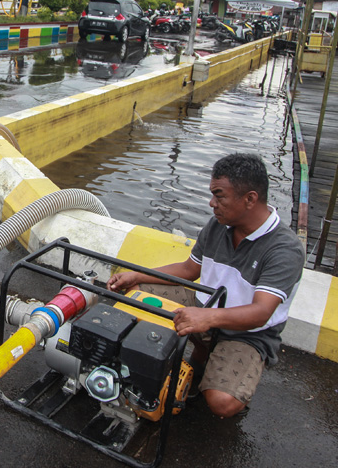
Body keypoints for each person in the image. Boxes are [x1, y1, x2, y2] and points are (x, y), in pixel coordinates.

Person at [107, 153, 304, 418]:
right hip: (205, 306)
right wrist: (137, 274)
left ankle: (219, 363)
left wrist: (207, 317)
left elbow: (261, 312)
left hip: (247, 332)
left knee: (222, 403)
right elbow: (189, 269)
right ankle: (203, 350)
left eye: (219, 195)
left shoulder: (284, 249)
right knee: (136, 294)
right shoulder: (218, 225)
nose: (212, 203)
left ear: (250, 199)